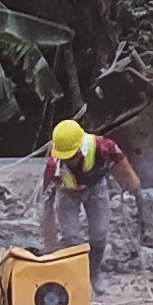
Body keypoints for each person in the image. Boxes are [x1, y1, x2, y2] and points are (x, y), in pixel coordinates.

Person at [39, 113, 136, 273]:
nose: (68, 161)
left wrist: (130, 178)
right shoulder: (54, 165)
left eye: (71, 156)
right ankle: (75, 274)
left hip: (95, 188)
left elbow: (118, 156)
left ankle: (94, 272)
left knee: (99, 234)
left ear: (79, 148)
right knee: (70, 237)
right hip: (68, 194)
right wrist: (50, 242)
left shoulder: (99, 145)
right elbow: (47, 201)